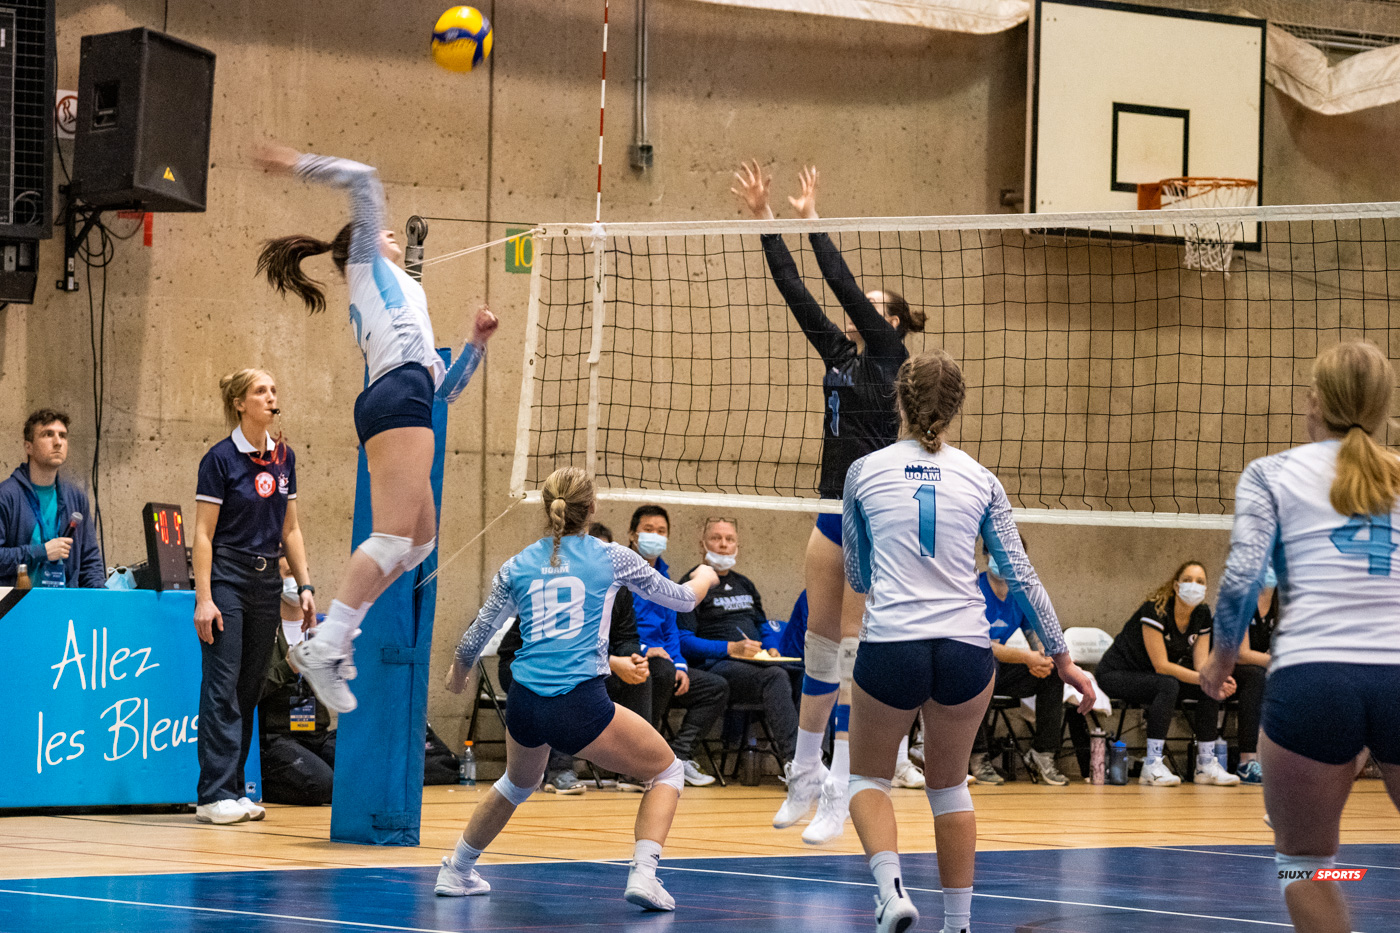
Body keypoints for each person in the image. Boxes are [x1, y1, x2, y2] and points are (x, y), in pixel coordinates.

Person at [841, 349, 1095, 933]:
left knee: (867, 779)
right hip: (965, 650)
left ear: (899, 400)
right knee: (950, 788)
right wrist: (1063, 660)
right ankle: (958, 924)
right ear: (956, 409)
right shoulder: (982, 479)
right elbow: (1022, 576)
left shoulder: (863, 471)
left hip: (893, 645)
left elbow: (857, 574)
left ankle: (891, 893)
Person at [254, 144, 499, 714]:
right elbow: (362, 177)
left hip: (407, 395)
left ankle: (335, 637)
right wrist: (292, 162)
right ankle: (327, 644)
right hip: (395, 395)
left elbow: (446, 392)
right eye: (382, 231)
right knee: (390, 539)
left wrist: (476, 344)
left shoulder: (406, 294)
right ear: (359, 245)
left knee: (418, 545)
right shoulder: (365, 263)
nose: (389, 233)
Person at [733, 161, 926, 842]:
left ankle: (844, 787)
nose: (856, 306)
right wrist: (767, 220)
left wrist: (814, 220)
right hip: (828, 508)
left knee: (849, 652)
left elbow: (839, 280)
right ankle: (805, 774)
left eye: (874, 303)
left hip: (872, 515)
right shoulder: (839, 355)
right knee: (817, 649)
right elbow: (795, 289)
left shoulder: (890, 354)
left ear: (891, 321)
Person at [442, 467, 719, 912]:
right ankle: (644, 876)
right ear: (592, 508)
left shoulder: (517, 564)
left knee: (517, 782)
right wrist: (704, 575)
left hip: (524, 703)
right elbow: (683, 599)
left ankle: (457, 869)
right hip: (577, 703)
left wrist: (457, 677)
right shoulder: (612, 557)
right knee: (667, 771)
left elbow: (474, 639)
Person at [1200, 340, 1400, 933]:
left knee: (1303, 864)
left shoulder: (1271, 474)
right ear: (1384, 406)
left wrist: (1219, 663)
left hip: (1312, 680)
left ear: (1314, 400)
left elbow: (1241, 579)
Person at [193, 369, 316, 824]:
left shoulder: (284, 457)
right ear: (240, 403)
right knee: (222, 684)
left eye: (273, 390)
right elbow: (203, 534)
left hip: (267, 582)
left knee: (250, 686)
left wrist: (304, 585)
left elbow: (291, 528)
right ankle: (212, 795)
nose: (270, 396)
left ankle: (234, 788)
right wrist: (204, 598)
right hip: (227, 576)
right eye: (260, 390)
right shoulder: (219, 459)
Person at [493, 521, 654, 794]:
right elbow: (555, 652)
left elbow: (627, 636)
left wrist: (632, 660)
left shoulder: (619, 589)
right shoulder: (556, 584)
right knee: (568, 679)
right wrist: (612, 662)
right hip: (524, 666)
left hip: (593, 667)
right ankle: (559, 770)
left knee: (643, 678)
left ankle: (634, 768)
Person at [1095, 561, 1252, 786]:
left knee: (1206, 687)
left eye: (1200, 581)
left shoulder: (1202, 613)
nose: (1193, 585)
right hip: (1117, 674)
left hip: (1154, 678)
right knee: (1169, 684)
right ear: (1176, 586)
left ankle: (1206, 764)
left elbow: (1201, 665)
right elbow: (1162, 666)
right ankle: (1152, 764)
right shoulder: (1155, 609)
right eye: (1188, 580)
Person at [676, 518, 800, 786]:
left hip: (756, 662)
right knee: (775, 677)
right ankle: (796, 765)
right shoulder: (691, 584)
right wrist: (730, 648)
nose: (723, 545)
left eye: (729, 539)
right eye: (716, 538)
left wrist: (772, 647)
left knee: (801, 675)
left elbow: (762, 625)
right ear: (702, 544)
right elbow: (683, 641)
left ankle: (813, 758)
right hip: (715, 665)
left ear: (737, 546)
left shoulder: (745, 584)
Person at [627, 505, 729, 786]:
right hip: (631, 659)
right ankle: (639, 766)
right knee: (659, 671)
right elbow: (616, 630)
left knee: (715, 687)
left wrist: (680, 664)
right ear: (632, 534)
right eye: (649, 530)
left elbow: (671, 629)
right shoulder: (621, 576)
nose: (655, 536)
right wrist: (644, 649)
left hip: (665, 663)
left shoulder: (664, 577)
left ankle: (677, 757)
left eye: (661, 531)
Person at [782, 590, 924, 789]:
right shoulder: (816, 595)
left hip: (870, 665)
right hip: (828, 673)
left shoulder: (888, 592)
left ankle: (899, 763)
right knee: (837, 684)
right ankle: (815, 768)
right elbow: (802, 647)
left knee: (901, 674)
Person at [967, 537, 1070, 787]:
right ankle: (977, 756)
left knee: (1053, 672)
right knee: (986, 665)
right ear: (986, 555)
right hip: (969, 670)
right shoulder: (973, 588)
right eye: (998, 553)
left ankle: (1042, 753)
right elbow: (980, 644)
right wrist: (1026, 657)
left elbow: (1036, 636)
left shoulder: (1021, 594)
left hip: (1001, 672)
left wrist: (1044, 657)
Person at [0, 409, 105, 588]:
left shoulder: (76, 497)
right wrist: (41, 552)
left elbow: (90, 562)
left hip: (65, 602)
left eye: (62, 436)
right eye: (48, 434)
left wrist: (98, 600)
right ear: (28, 447)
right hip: (20, 603)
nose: (58, 442)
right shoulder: (6, 495)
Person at [258, 569, 336, 806]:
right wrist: (288, 667)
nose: (297, 581)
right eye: (287, 573)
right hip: (278, 737)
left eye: (300, 572)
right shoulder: (260, 631)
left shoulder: (321, 627)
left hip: (317, 734)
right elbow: (249, 691)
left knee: (367, 771)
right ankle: (258, 784)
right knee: (322, 786)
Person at [1232, 564, 1277, 785]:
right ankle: (1247, 761)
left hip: (1264, 665)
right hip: (1229, 666)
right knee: (1256, 676)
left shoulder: (1284, 601)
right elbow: (1242, 654)